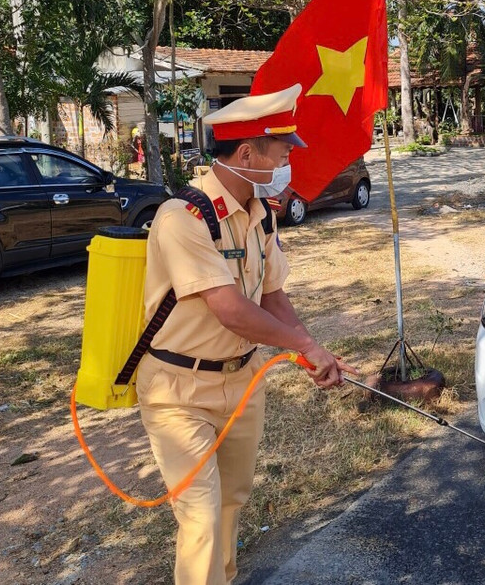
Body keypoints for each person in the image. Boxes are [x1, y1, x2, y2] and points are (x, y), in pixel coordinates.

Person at [137, 82, 357, 585]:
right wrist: (301, 344)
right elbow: (230, 309)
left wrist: (313, 351)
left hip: (241, 380)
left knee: (231, 502)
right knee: (200, 516)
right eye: (281, 154)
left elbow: (272, 295)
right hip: (178, 390)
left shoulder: (261, 217)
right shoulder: (183, 218)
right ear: (246, 153)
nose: (287, 165)